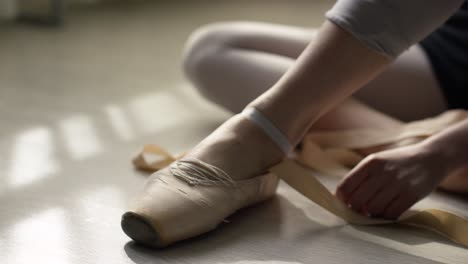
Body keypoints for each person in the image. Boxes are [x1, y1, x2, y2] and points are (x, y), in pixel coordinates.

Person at [179, 0, 468, 220]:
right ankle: (406, 137)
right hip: (447, 48)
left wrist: (444, 151)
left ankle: (440, 145)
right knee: (211, 50)